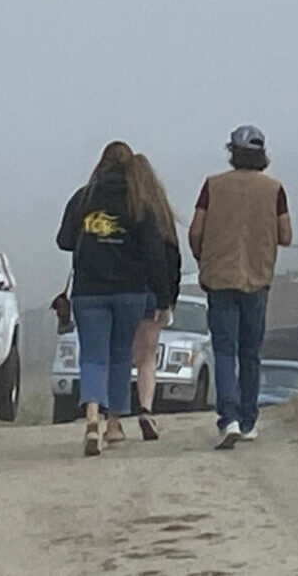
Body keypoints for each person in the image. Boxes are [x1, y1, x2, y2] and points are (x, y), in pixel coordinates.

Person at [56, 141, 178, 457]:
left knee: (93, 356)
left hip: (89, 291)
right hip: (131, 292)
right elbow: (155, 255)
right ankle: (114, 424)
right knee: (121, 355)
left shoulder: (82, 198)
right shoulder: (140, 204)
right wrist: (164, 299)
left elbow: (64, 240)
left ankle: (92, 419)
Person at [189, 124, 292, 450]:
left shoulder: (213, 186)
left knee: (224, 351)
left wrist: (204, 256)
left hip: (219, 278)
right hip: (258, 279)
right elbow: (286, 235)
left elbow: (195, 230)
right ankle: (248, 421)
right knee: (251, 353)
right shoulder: (274, 189)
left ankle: (228, 418)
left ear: (233, 152)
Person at [126, 155, 184, 441]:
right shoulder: (161, 212)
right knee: (147, 357)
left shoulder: (125, 211)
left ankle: (111, 412)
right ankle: (146, 409)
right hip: (153, 293)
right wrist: (168, 298)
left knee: (118, 355)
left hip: (124, 288)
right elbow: (173, 258)